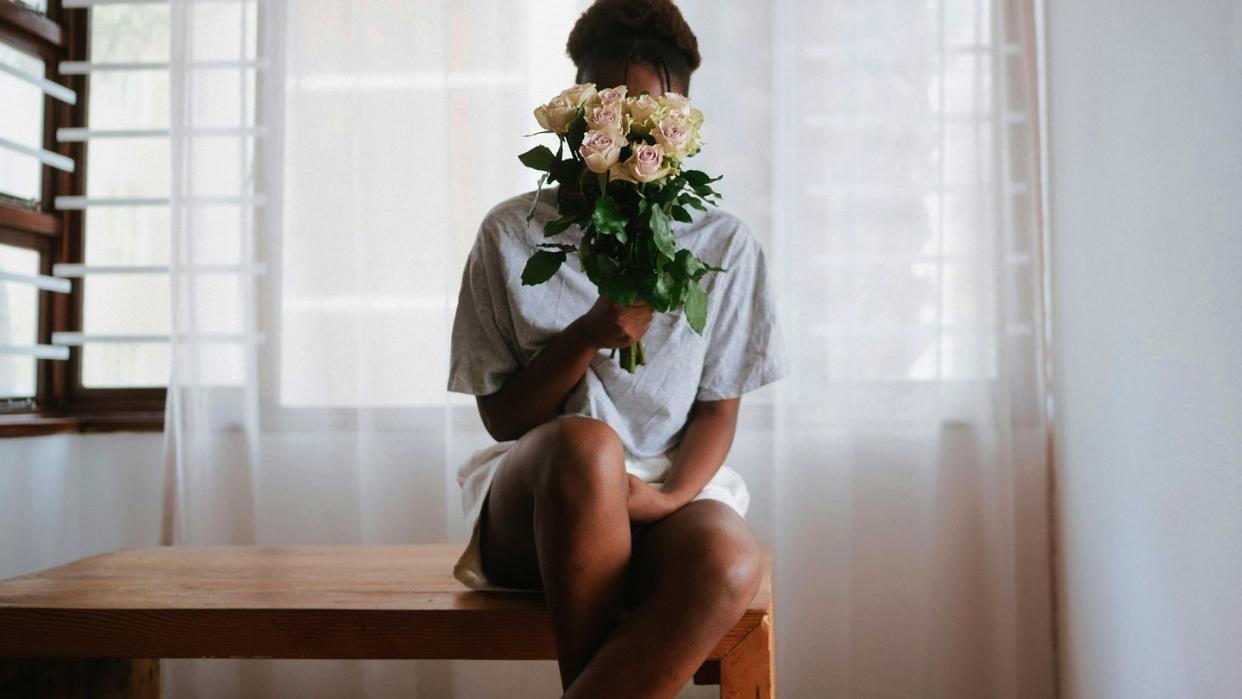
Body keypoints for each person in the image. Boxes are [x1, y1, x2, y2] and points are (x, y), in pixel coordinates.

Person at [446, 1, 789, 696]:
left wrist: (666, 501)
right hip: (542, 497)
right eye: (609, 105)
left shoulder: (723, 245)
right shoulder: (510, 234)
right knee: (588, 446)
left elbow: (717, 413)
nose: (627, 127)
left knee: (729, 558)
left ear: (682, 123)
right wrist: (587, 335)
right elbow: (503, 419)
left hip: (662, 490)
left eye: (648, 111)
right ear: (578, 112)